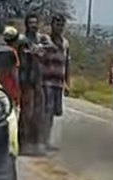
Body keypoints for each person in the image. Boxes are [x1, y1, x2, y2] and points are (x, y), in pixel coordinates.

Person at [38, 14, 71, 151]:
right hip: (46, 81)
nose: (59, 27)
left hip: (58, 82)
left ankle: (46, 140)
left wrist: (67, 83)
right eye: (57, 24)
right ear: (52, 25)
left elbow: (67, 63)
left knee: (53, 113)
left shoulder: (65, 43)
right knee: (46, 111)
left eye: (61, 25)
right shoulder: (45, 39)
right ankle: (41, 141)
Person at [17, 13, 45, 155]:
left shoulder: (41, 39)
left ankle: (35, 143)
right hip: (25, 79)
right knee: (26, 112)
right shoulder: (22, 40)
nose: (33, 25)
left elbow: (46, 50)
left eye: (35, 23)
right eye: (31, 23)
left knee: (38, 113)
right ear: (26, 24)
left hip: (38, 78)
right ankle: (22, 142)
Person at [0, 26, 22, 109]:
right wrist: (19, 91)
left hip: (0, 90)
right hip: (11, 90)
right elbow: (14, 74)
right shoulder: (12, 52)